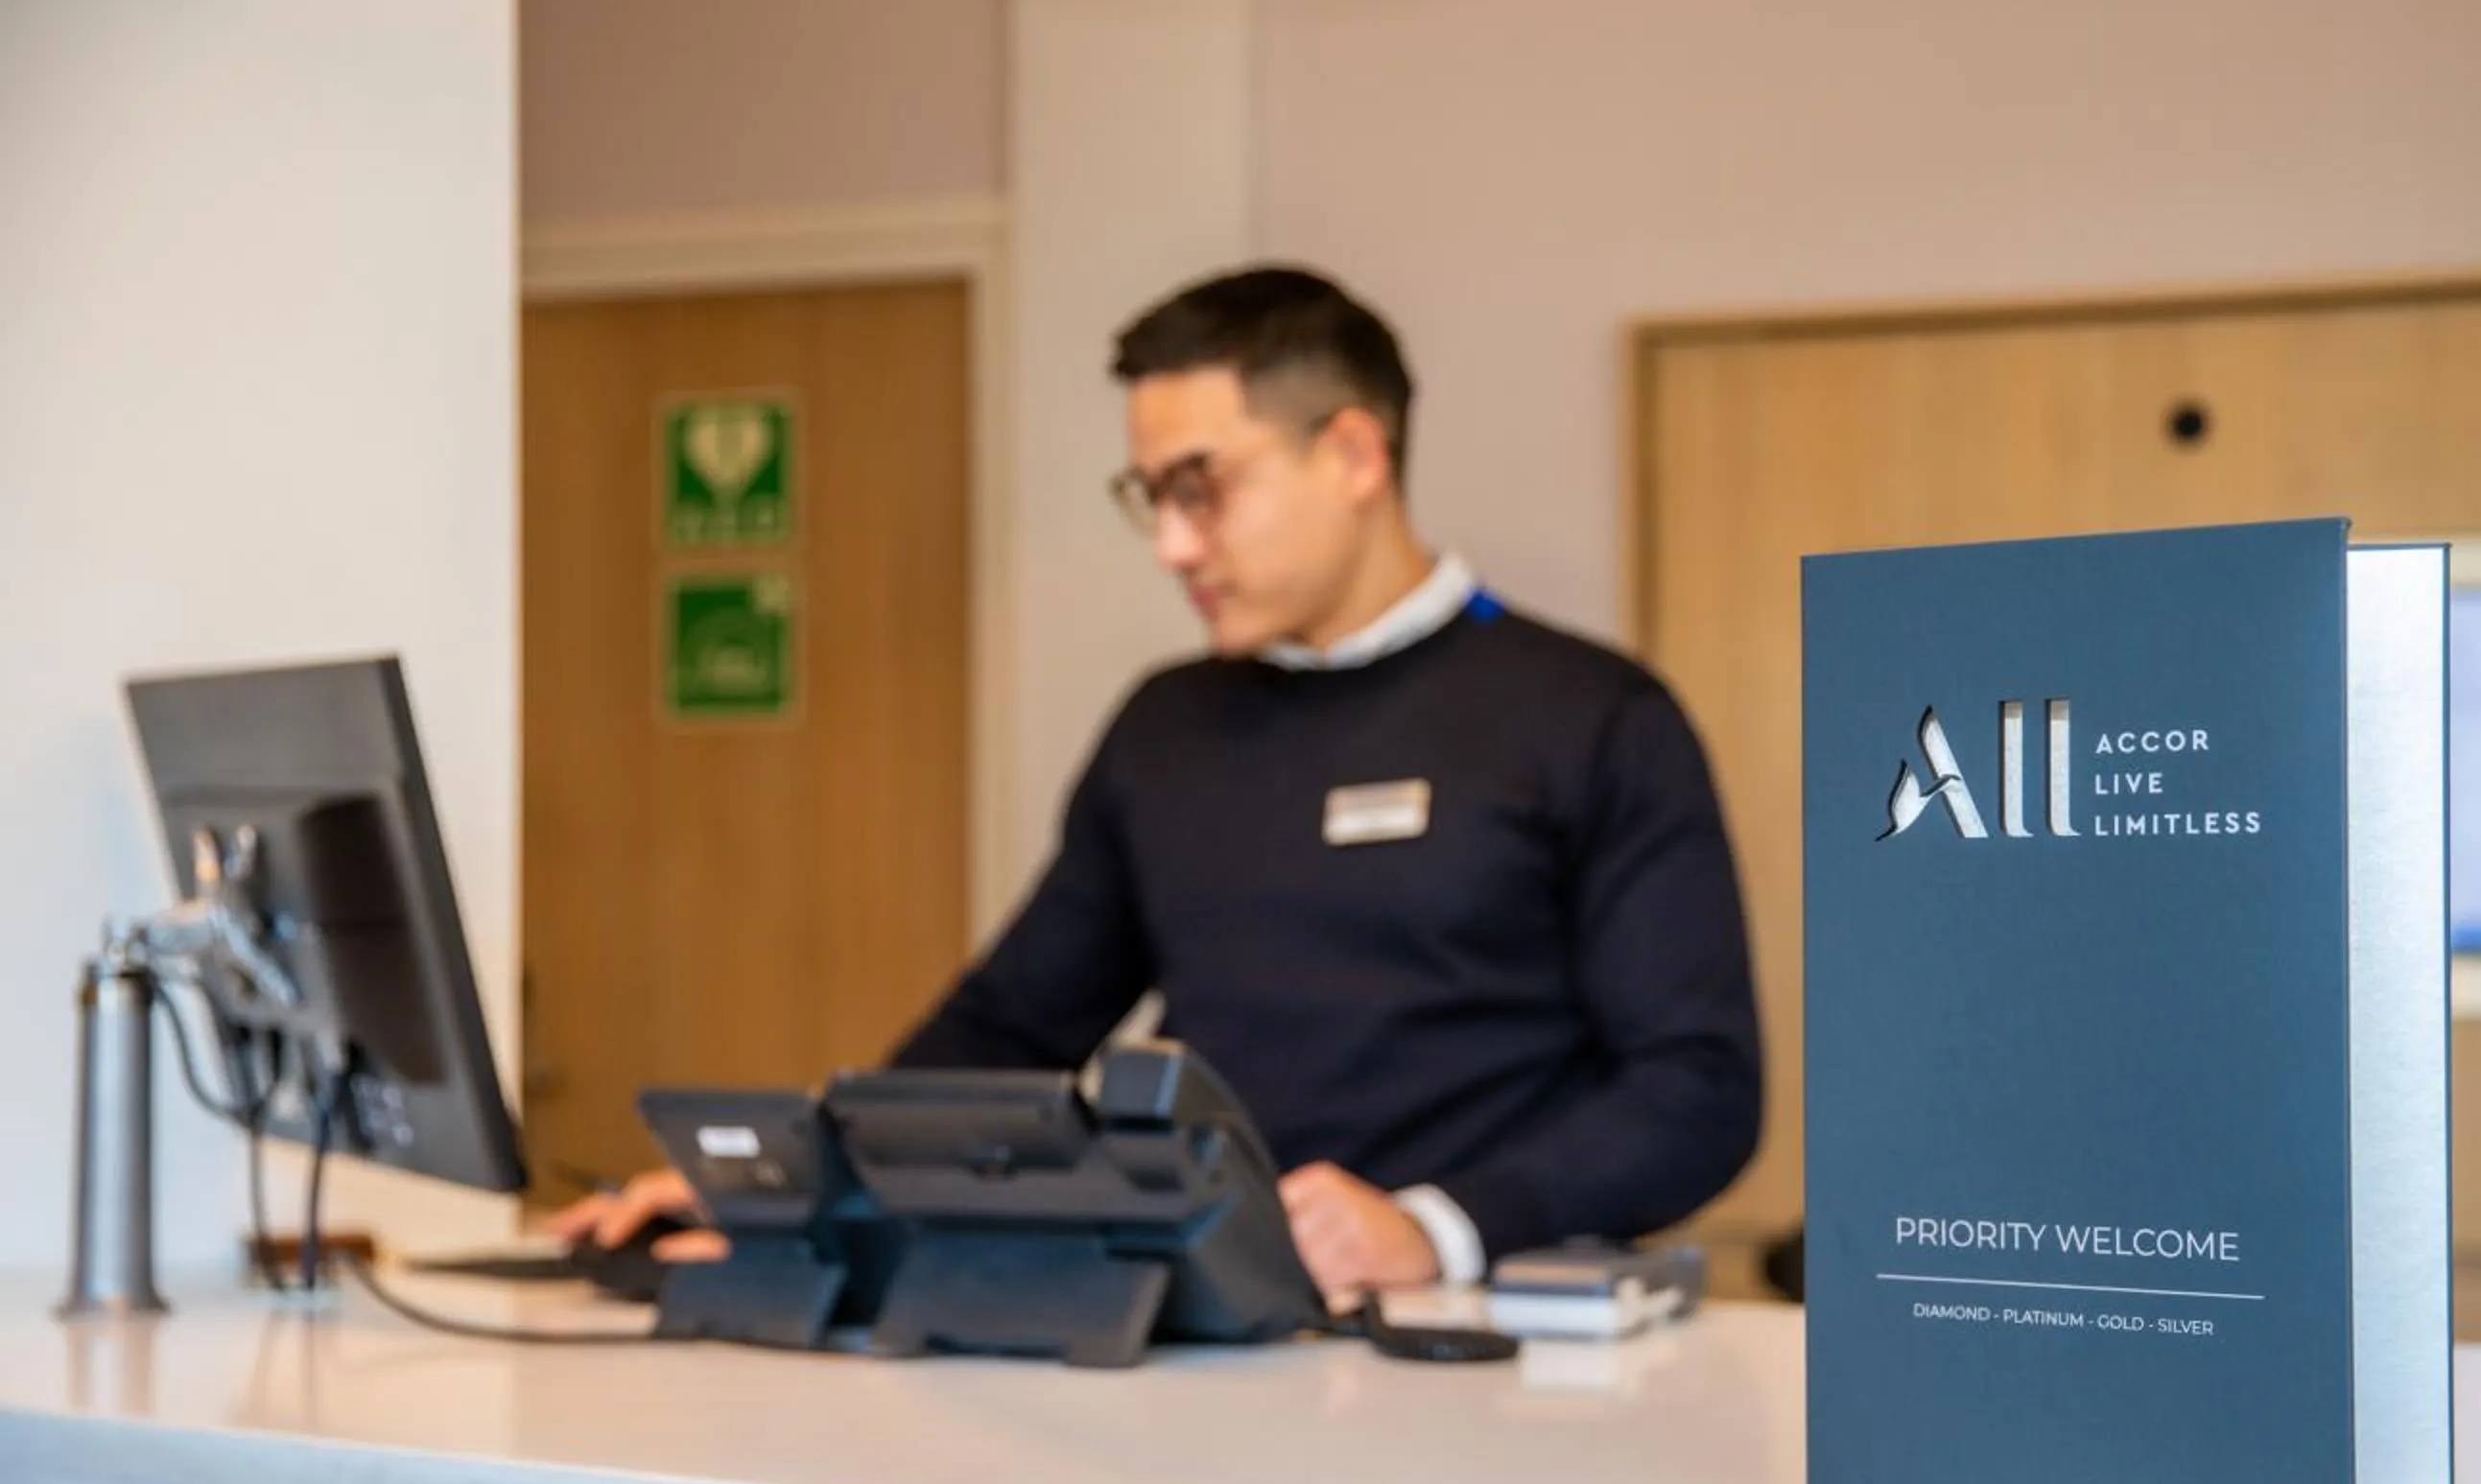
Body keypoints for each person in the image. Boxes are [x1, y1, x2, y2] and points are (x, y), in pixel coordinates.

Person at [552, 265, 1761, 1297]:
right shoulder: (1170, 727)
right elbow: (1011, 1025)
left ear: (1351, 453)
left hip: (1479, 1341)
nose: (1174, 544)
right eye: (1153, 498)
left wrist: (1436, 1226)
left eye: (1202, 486)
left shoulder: (1591, 716)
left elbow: (1696, 1089)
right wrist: (794, 1180)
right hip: (1200, 1322)